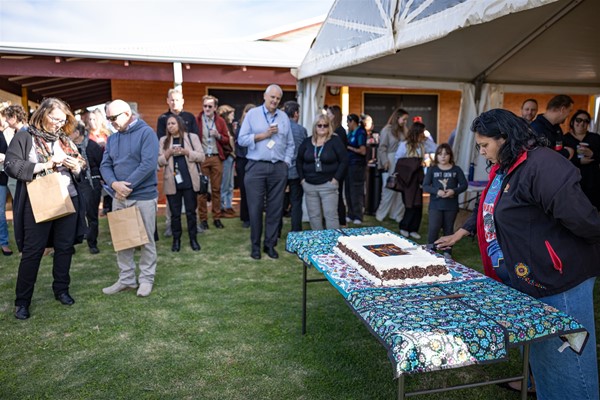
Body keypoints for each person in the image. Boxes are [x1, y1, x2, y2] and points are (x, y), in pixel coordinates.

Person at [435, 109, 600, 400]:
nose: (481, 151)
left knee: (570, 364)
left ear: (505, 137)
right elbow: (490, 207)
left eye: (485, 145)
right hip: (533, 280)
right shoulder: (507, 165)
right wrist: (463, 231)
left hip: (560, 280)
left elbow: (583, 220)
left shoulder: (543, 165)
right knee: (546, 360)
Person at [4, 98, 87, 320]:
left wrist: (75, 166)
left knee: (64, 247)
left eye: (63, 120)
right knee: (32, 252)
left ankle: (61, 289)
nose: (59, 124)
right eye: (55, 119)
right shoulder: (25, 136)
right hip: (38, 201)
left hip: (68, 199)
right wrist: (46, 165)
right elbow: (11, 165)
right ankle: (22, 301)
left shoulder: (64, 139)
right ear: (42, 114)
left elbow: (81, 164)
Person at [100, 99, 159, 298]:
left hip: (143, 197)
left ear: (127, 113)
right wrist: (114, 183)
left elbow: (148, 164)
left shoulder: (147, 133)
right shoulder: (113, 138)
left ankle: (146, 279)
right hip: (119, 195)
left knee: (147, 240)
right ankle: (126, 279)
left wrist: (126, 186)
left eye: (113, 118)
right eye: (108, 119)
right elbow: (105, 165)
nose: (111, 122)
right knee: (122, 240)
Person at [237, 84, 294, 260]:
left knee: (275, 209)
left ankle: (270, 245)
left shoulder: (284, 117)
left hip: (278, 168)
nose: (275, 101)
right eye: (272, 97)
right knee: (255, 209)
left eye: (278, 98)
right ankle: (255, 246)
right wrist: (263, 135)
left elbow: (290, 144)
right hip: (256, 167)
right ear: (265, 96)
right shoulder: (253, 115)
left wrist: (286, 163)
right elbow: (241, 140)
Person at [156, 88, 200, 236]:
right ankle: (170, 225)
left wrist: (187, 151)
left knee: (191, 201)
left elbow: (195, 139)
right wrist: (168, 152)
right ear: (168, 101)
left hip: (188, 164)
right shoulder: (162, 118)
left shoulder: (189, 117)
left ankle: (195, 226)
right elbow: (161, 141)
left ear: (182, 101)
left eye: (177, 99)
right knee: (172, 201)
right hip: (171, 165)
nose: (174, 102)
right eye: (172, 99)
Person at [158, 115, 204, 252]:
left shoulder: (192, 137)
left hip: (189, 181)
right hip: (172, 181)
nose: (170, 126)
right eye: (168, 124)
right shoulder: (164, 140)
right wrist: (168, 154)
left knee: (191, 212)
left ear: (179, 124)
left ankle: (193, 239)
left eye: (173, 123)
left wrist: (186, 152)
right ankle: (176, 240)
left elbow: (201, 156)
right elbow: (159, 161)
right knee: (175, 214)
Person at [296, 114, 348, 230]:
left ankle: (332, 243)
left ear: (329, 126)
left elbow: (344, 160)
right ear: (315, 127)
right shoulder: (307, 142)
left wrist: (336, 179)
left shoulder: (335, 140)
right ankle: (318, 243)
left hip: (328, 185)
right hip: (309, 185)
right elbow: (299, 160)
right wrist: (302, 179)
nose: (322, 128)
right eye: (319, 125)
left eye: (325, 125)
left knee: (331, 217)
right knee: (314, 217)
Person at [422, 143, 467, 258]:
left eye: (446, 154)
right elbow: (425, 186)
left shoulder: (456, 170)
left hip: (450, 206)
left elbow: (464, 185)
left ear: (450, 156)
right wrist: (437, 191)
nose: (443, 156)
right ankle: (431, 251)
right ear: (436, 156)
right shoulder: (432, 169)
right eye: (440, 154)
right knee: (434, 228)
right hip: (435, 206)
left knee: (448, 229)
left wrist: (454, 191)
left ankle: (447, 252)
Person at [394, 121, 437, 239]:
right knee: (409, 204)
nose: (424, 135)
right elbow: (398, 160)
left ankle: (413, 228)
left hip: (418, 177)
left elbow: (435, 148)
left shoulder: (423, 144)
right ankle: (404, 226)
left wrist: (426, 139)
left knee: (418, 204)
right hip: (407, 178)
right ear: (417, 133)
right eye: (422, 133)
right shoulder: (404, 145)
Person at [69, 123, 104, 254]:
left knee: (91, 215)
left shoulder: (92, 146)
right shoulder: (68, 148)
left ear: (77, 133)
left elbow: (102, 164)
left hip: (91, 183)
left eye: (70, 132)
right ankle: (69, 245)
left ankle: (92, 244)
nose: (67, 135)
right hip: (73, 184)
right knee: (72, 216)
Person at [196, 95, 230, 231]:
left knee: (216, 189)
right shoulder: (197, 120)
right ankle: (203, 220)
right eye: (205, 106)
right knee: (202, 191)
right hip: (203, 157)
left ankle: (216, 218)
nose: (207, 109)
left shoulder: (220, 121)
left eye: (210, 106)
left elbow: (227, 140)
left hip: (216, 157)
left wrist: (219, 135)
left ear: (215, 108)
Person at [376, 107, 409, 223]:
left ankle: (397, 215)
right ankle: (381, 214)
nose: (405, 122)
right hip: (390, 160)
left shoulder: (403, 130)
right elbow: (382, 148)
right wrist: (385, 161)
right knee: (389, 189)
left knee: (401, 190)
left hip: (402, 161)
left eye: (406, 120)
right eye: (404, 119)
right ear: (397, 118)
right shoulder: (387, 130)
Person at [563, 109, 600, 210]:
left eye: (586, 121)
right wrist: (578, 161)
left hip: (593, 182)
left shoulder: (595, 138)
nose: (582, 123)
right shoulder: (565, 139)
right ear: (572, 122)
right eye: (578, 120)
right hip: (573, 183)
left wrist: (593, 154)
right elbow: (560, 160)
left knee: (593, 211)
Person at [283, 100, 307, 232]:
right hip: (297, 171)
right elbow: (304, 151)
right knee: (296, 202)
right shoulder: (301, 130)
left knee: (278, 202)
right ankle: (296, 231)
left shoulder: (280, 128)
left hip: (281, 169)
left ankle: (276, 231)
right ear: (296, 113)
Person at [530, 94, 575, 159]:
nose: (568, 115)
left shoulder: (557, 128)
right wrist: (567, 153)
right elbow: (543, 158)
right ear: (563, 109)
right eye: (569, 111)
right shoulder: (536, 128)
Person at [326, 105, 348, 226]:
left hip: (338, 169)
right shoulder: (334, 130)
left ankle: (342, 221)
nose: (327, 116)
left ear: (334, 115)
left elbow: (341, 153)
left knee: (338, 195)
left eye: (329, 114)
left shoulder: (340, 131)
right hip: (334, 167)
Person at [344, 113, 367, 224]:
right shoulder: (350, 133)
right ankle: (350, 213)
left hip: (357, 165)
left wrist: (349, 147)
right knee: (348, 189)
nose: (347, 125)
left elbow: (362, 151)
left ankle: (358, 215)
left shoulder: (360, 132)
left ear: (352, 121)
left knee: (356, 190)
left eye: (348, 122)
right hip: (348, 165)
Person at [235, 103, 255, 229]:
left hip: (253, 160)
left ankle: (253, 216)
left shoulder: (258, 129)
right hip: (242, 160)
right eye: (247, 112)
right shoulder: (240, 127)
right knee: (244, 189)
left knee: (254, 190)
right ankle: (245, 217)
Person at [217, 104, 236, 218]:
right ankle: (223, 207)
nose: (233, 116)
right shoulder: (222, 127)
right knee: (224, 184)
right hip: (226, 157)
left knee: (230, 184)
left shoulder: (230, 127)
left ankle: (228, 206)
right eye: (231, 114)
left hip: (231, 157)